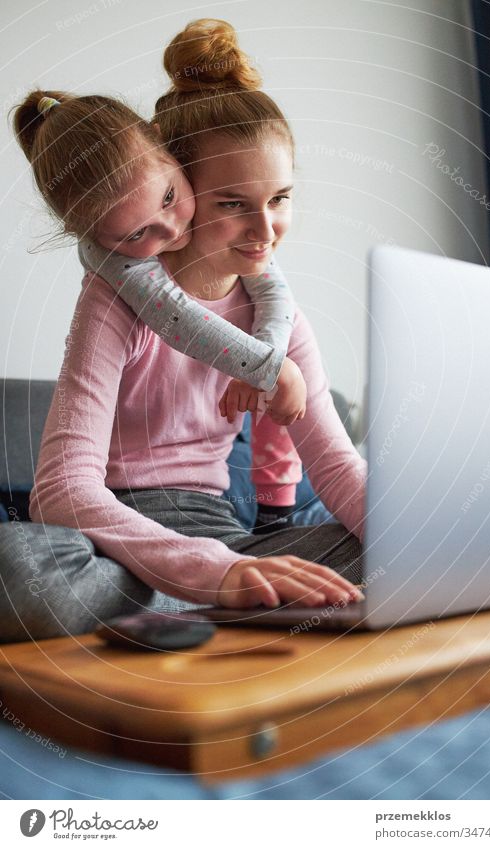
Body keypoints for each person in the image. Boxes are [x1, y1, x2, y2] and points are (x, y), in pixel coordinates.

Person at [3, 18, 367, 639]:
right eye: (231, 203)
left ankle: (215, 601)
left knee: (395, 550)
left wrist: (435, 544)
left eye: (279, 198)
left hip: (222, 533)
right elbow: (63, 489)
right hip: (116, 534)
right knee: (20, 569)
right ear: (178, 184)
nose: (265, 229)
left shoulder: (279, 318)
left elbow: (336, 467)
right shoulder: (115, 301)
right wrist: (213, 572)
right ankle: (224, 599)